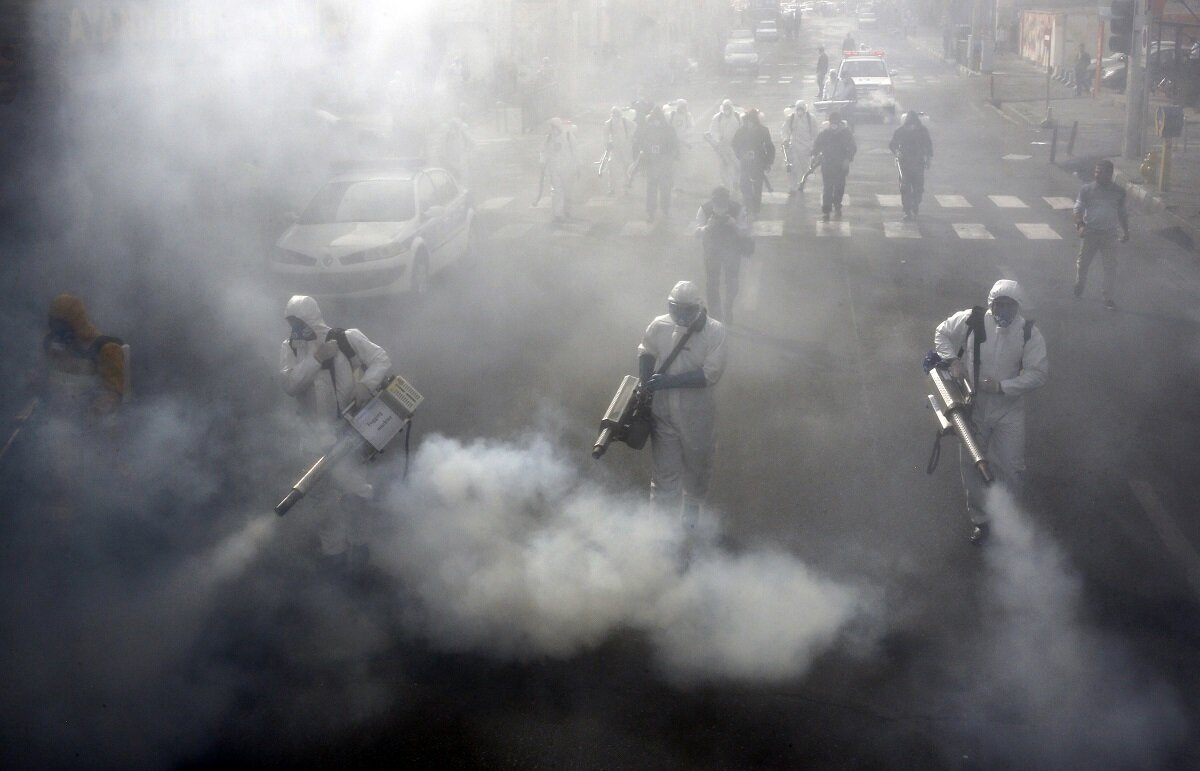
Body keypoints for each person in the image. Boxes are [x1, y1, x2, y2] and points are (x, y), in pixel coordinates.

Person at [279, 295, 392, 571]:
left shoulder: (347, 339)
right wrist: (317, 359)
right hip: (312, 440)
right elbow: (291, 385)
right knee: (323, 502)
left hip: (347, 434)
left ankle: (362, 551)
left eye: (300, 323)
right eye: (292, 323)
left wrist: (366, 385)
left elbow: (381, 359)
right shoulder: (290, 348)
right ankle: (334, 557)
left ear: (311, 318)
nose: (296, 330)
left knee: (356, 492)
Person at [933, 280, 1048, 544]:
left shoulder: (1028, 333)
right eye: (999, 304)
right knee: (971, 464)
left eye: (1010, 305)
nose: (1004, 310)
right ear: (991, 304)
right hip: (973, 407)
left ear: (1018, 307)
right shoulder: (972, 320)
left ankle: (1009, 519)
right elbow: (941, 333)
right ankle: (981, 520)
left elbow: (1038, 374)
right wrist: (953, 361)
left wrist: (1002, 387)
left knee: (1011, 467)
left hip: (1009, 409)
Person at [638, 280, 728, 532]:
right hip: (664, 412)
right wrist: (645, 382)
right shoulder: (660, 325)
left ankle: (690, 524)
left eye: (686, 310)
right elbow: (646, 350)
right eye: (675, 309)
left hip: (697, 414)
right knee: (664, 475)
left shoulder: (714, 332)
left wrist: (669, 381)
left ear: (698, 308)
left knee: (697, 468)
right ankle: (662, 531)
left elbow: (711, 374)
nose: (680, 316)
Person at [30, 294, 128, 518]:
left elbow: (113, 394)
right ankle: (62, 516)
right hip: (60, 420)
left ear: (76, 321)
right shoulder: (52, 343)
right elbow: (45, 375)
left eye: (62, 323)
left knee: (100, 477)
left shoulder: (106, 348)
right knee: (58, 469)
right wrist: (35, 380)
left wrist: (89, 414)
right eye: (54, 323)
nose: (57, 330)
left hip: (96, 425)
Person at [1073, 159, 1129, 310]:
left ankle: (1108, 297)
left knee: (1110, 267)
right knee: (1083, 264)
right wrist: (1080, 225)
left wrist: (1126, 231)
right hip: (1090, 232)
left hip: (1110, 235)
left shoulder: (1119, 192)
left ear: (1109, 174)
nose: (1096, 175)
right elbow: (1078, 209)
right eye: (1096, 171)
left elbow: (1122, 213)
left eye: (1100, 172)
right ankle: (1080, 283)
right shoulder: (1086, 190)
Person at [695, 186, 751, 324]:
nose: (720, 206)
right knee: (712, 282)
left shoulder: (738, 209)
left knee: (732, 281)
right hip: (712, 250)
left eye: (722, 202)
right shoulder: (704, 209)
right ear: (712, 201)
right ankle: (715, 314)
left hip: (732, 250)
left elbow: (745, 232)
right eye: (717, 202)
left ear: (728, 200)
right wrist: (707, 227)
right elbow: (697, 232)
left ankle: (728, 306)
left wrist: (734, 224)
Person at [633, 105, 679, 223]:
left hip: (664, 162)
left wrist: (669, 158)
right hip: (652, 162)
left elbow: (674, 145)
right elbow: (642, 144)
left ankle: (665, 210)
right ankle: (651, 212)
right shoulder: (649, 129)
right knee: (652, 189)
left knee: (664, 188)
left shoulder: (668, 129)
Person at [811, 110, 856, 222]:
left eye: (836, 122)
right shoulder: (825, 133)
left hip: (841, 165)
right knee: (827, 188)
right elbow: (817, 145)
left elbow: (852, 147)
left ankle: (837, 204)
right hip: (828, 164)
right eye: (832, 122)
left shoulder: (846, 133)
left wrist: (848, 158)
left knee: (839, 187)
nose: (834, 125)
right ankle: (826, 210)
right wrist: (814, 155)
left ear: (840, 122)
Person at [888, 110, 933, 219]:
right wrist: (897, 152)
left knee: (918, 188)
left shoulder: (922, 131)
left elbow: (928, 145)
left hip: (918, 163)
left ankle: (915, 204)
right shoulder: (900, 131)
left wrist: (928, 158)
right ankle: (907, 210)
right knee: (905, 187)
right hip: (904, 164)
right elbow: (892, 144)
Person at [731, 108, 775, 218]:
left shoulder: (763, 130)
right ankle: (748, 207)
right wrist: (741, 154)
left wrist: (768, 162)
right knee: (744, 185)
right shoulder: (741, 131)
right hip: (745, 163)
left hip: (759, 163)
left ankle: (755, 210)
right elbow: (734, 144)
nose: (749, 123)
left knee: (757, 187)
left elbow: (769, 147)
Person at [540, 116, 579, 223]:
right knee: (557, 190)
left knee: (567, 191)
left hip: (567, 168)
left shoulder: (568, 136)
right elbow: (543, 151)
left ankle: (567, 210)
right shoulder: (548, 138)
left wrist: (577, 165)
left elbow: (575, 151)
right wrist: (542, 161)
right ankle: (558, 214)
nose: (552, 129)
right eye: (551, 127)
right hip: (554, 168)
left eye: (554, 127)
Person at [707, 99, 742, 191]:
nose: (727, 109)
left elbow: (742, 130)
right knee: (723, 167)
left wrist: (739, 140)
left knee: (738, 165)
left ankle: (736, 182)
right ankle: (727, 186)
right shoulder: (717, 118)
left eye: (728, 107)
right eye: (725, 107)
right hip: (722, 146)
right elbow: (712, 130)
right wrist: (718, 137)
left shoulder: (737, 117)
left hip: (735, 146)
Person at [781, 100, 814, 195]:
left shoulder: (811, 119)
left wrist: (814, 146)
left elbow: (815, 133)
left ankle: (802, 184)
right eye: (798, 109)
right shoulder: (791, 118)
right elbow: (785, 130)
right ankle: (792, 185)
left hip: (806, 147)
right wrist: (786, 139)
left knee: (805, 168)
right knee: (793, 167)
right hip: (794, 146)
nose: (800, 112)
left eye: (802, 109)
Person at [603, 106, 636, 195]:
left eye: (617, 114)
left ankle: (626, 188)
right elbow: (605, 135)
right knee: (612, 168)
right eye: (613, 114)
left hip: (625, 148)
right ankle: (612, 188)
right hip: (615, 149)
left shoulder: (625, 121)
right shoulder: (608, 123)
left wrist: (630, 136)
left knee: (626, 168)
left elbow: (634, 126)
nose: (615, 116)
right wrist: (607, 144)